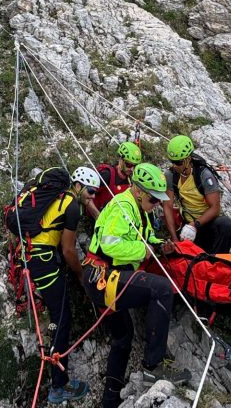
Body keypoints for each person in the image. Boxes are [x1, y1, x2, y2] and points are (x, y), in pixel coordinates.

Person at [81, 163, 191, 408]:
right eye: (153, 199)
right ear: (139, 190)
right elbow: (110, 244)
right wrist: (146, 250)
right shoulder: (123, 207)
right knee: (161, 289)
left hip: (104, 278)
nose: (155, 205)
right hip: (103, 275)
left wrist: (159, 244)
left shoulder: (139, 208)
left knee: (123, 337)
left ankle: (109, 401)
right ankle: (153, 367)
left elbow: (143, 235)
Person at [25, 166, 100, 404]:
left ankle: (57, 381)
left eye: (96, 192)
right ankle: (58, 386)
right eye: (90, 191)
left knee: (59, 314)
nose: (92, 197)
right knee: (62, 317)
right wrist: (80, 275)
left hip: (29, 256)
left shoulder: (57, 197)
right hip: (44, 262)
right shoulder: (72, 206)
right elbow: (68, 250)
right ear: (77, 186)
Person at [161, 135, 231, 254]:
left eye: (178, 162)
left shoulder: (203, 175)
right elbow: (167, 206)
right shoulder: (171, 175)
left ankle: (218, 261)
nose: (174, 165)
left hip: (207, 223)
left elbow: (215, 208)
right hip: (187, 226)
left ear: (188, 159)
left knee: (225, 224)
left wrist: (194, 225)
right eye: (172, 162)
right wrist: (174, 238)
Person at [87, 141, 142, 218]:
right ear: (121, 160)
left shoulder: (130, 179)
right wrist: (98, 217)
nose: (132, 169)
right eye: (129, 165)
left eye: (135, 166)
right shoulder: (107, 175)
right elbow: (86, 195)